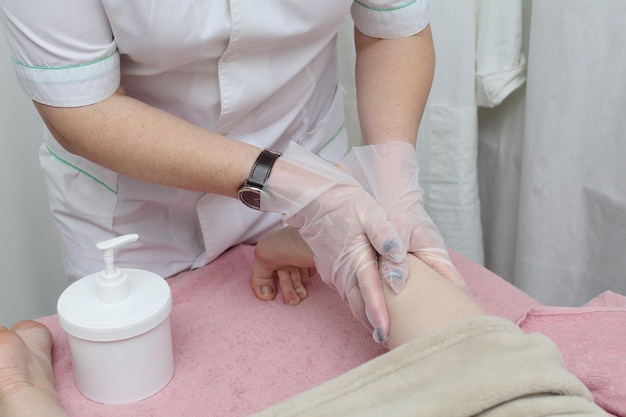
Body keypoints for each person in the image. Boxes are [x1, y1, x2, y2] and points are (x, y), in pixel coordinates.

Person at [0, 1, 464, 343]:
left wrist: (392, 170)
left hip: (312, 160)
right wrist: (289, 185)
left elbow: (390, 29)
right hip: (137, 210)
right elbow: (85, 111)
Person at [0, 227, 607, 416]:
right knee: (512, 384)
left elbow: (392, 29)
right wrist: (329, 236)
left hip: (296, 133)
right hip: (135, 192)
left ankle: (20, 392)